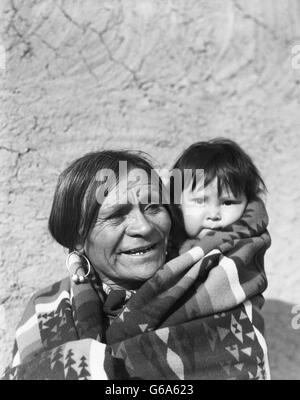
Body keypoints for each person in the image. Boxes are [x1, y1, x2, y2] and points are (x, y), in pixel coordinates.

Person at [3, 148, 271, 380]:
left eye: (153, 206)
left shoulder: (217, 289)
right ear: (78, 238)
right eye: (117, 215)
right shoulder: (46, 309)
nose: (143, 227)